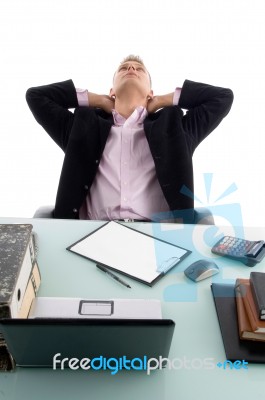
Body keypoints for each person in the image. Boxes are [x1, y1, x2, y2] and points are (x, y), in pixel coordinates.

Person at [26, 55, 233, 222]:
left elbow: (223, 97)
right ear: (112, 91)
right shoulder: (83, 125)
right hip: (90, 234)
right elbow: (36, 97)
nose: (131, 69)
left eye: (138, 69)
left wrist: (164, 99)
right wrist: (96, 99)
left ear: (150, 92)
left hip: (160, 240)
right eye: (124, 68)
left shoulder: (175, 126)